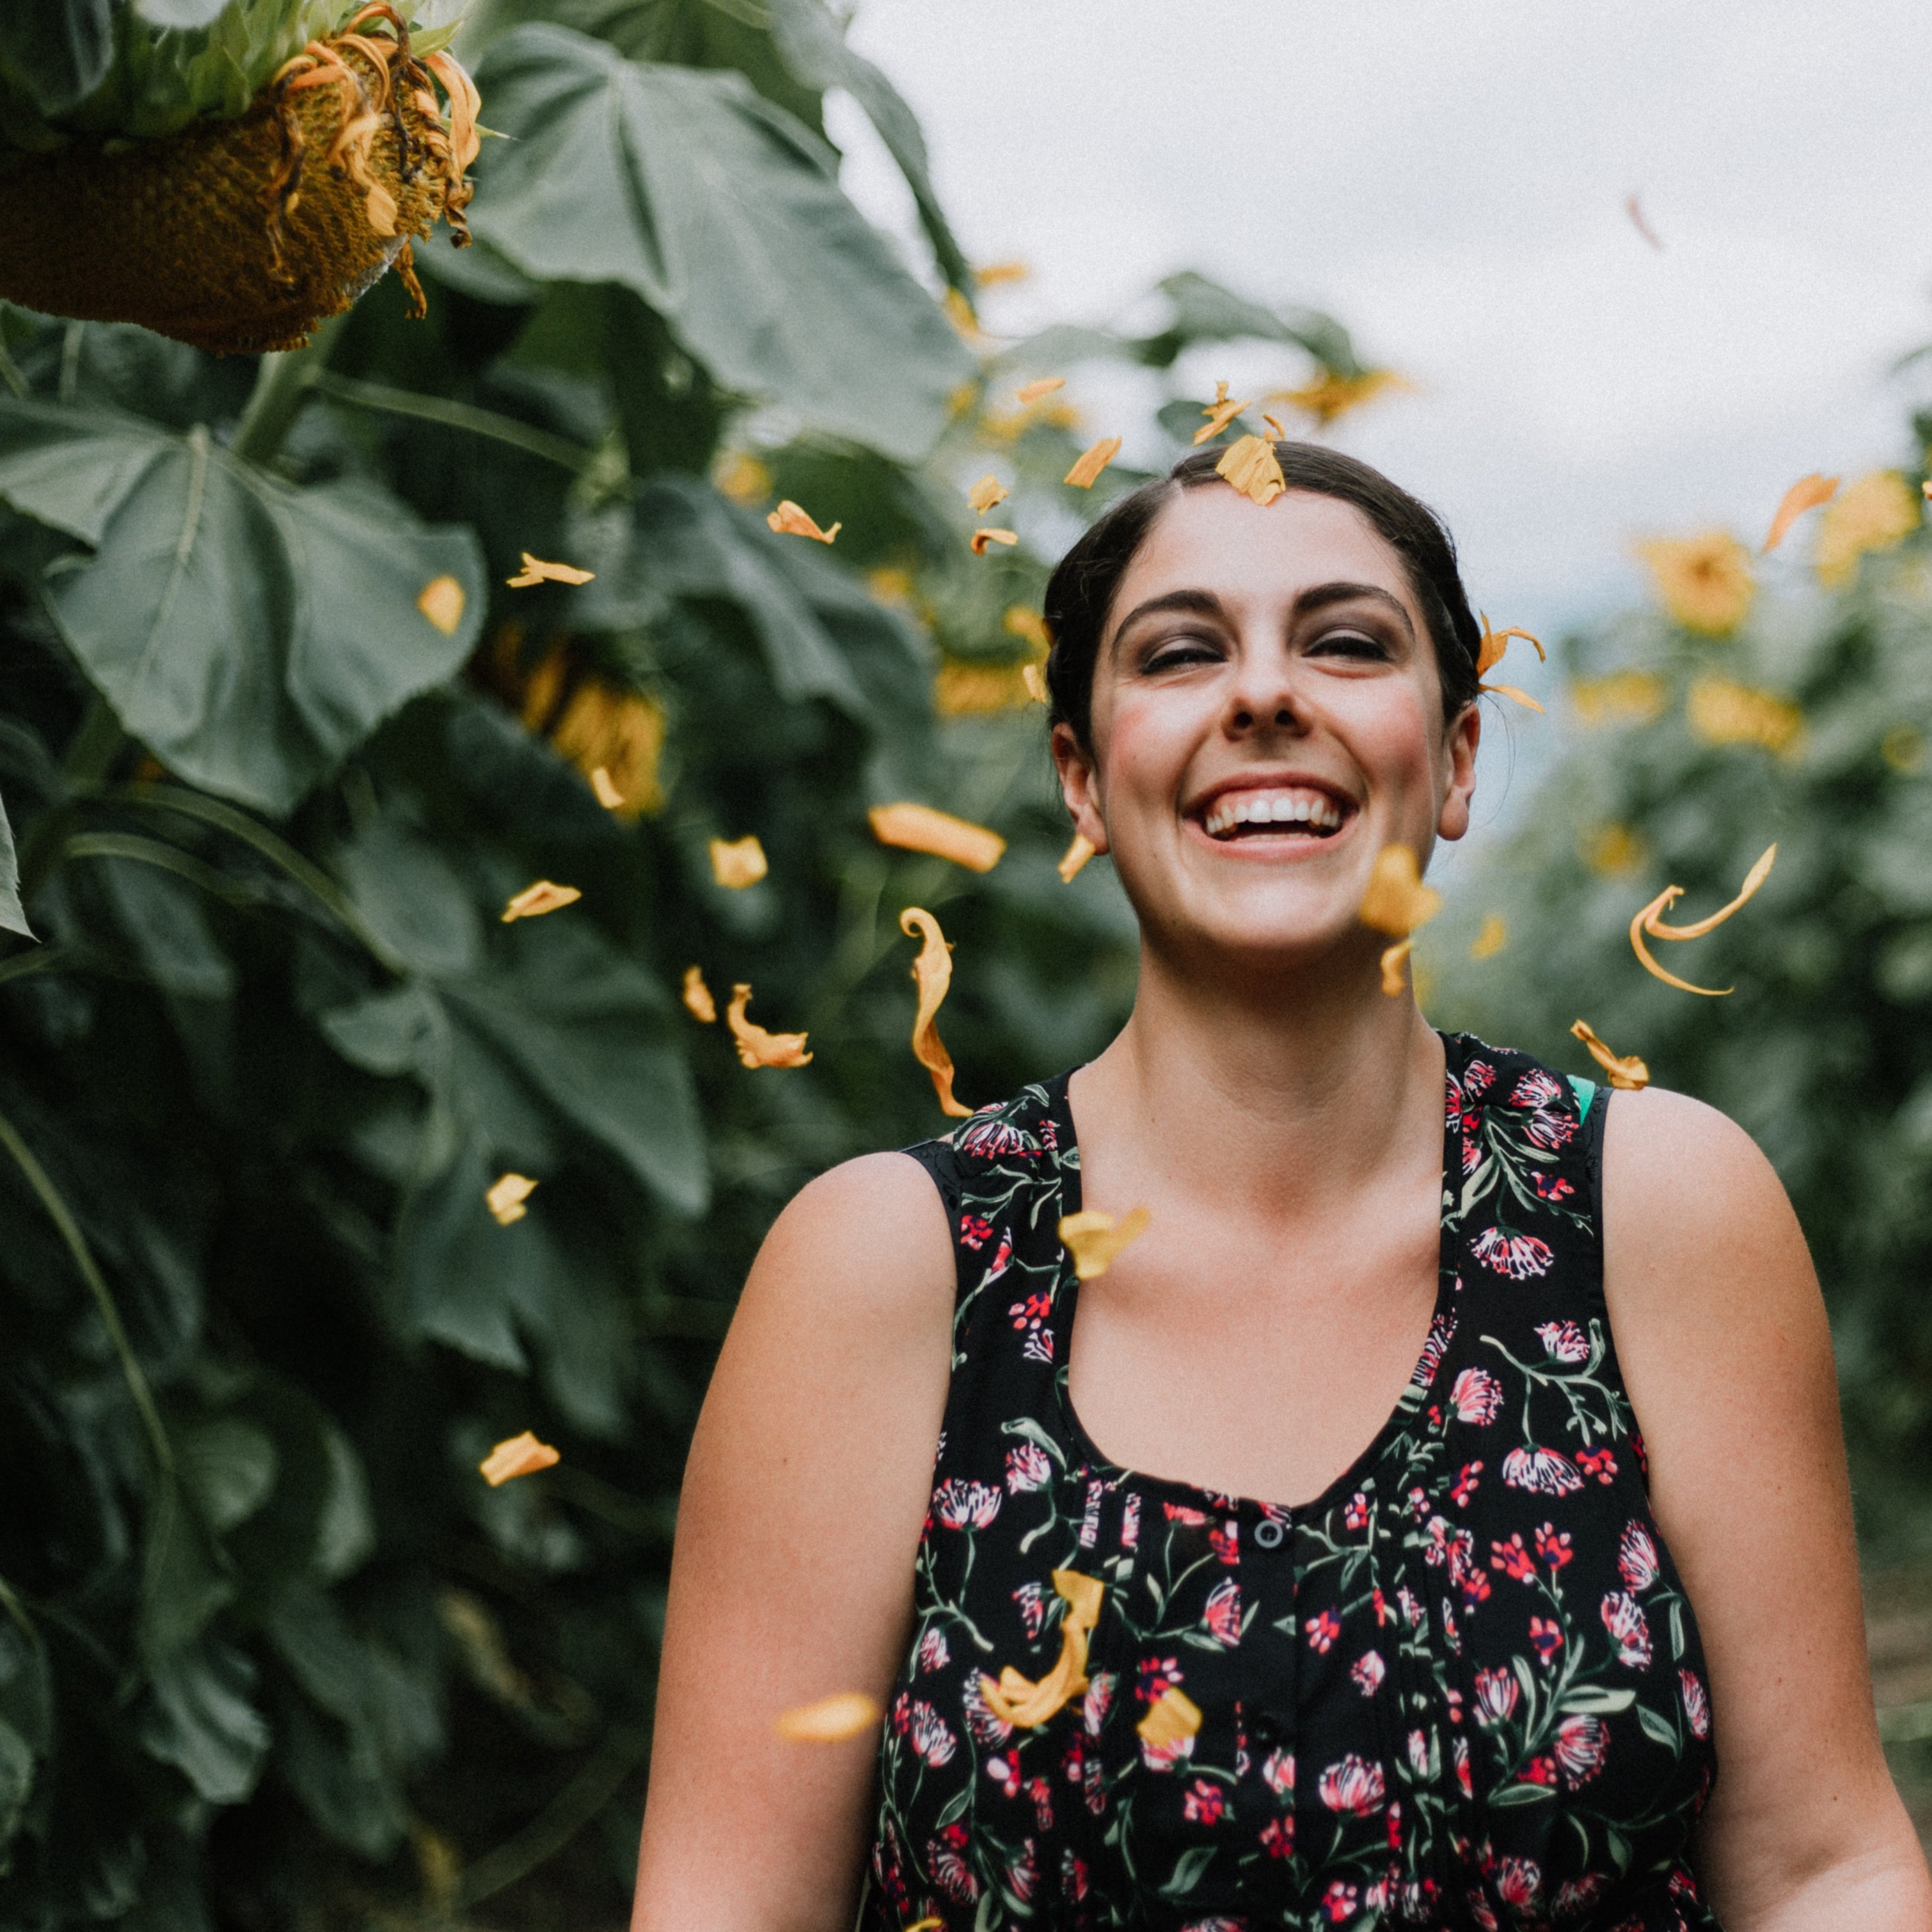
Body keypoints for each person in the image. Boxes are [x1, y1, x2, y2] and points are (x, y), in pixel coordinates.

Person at [631, 444, 1931, 1930]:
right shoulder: (892, 1268)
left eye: (1347, 643)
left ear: (1453, 761)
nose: (1265, 694)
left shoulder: (1654, 1212)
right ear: (1082, 779)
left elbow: (1829, 1869)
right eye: (1183, 653)